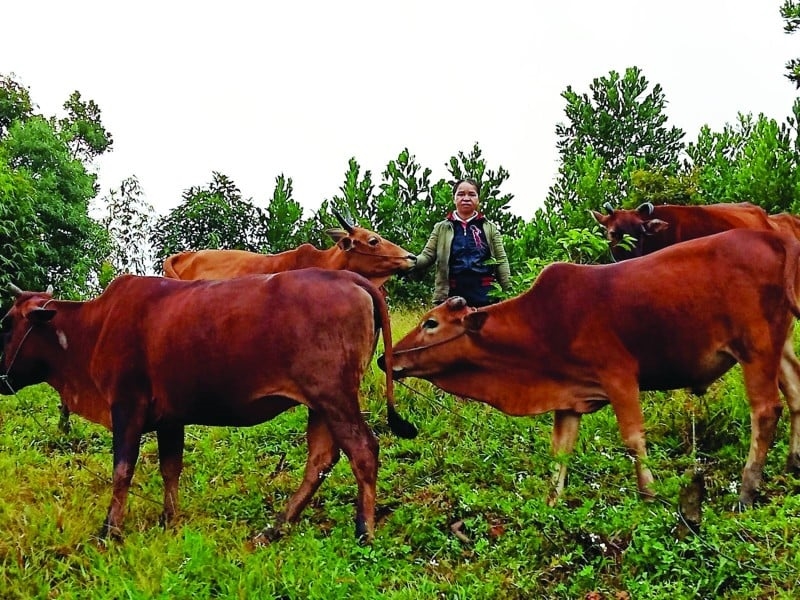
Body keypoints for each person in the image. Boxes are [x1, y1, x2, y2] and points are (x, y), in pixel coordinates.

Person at [414, 178, 511, 307]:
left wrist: (509, 293)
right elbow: (427, 256)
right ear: (454, 199)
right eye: (460, 194)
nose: (466, 198)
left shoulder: (489, 228)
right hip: (452, 294)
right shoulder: (442, 227)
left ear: (478, 199)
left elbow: (501, 261)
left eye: (471, 194)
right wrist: (407, 262)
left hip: (485, 295)